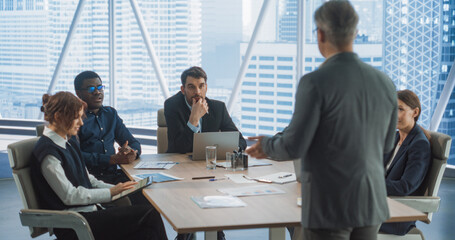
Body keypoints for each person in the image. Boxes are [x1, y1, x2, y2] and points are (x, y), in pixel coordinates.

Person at [246, 1, 397, 240]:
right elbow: (388, 144)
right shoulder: (385, 83)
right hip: (371, 203)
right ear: (355, 33)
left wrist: (266, 145)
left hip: (330, 204)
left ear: (320, 33)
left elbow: (294, 145)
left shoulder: (315, 82)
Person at [31, 91, 167, 240]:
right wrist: (110, 193)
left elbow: (89, 179)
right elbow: (70, 196)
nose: (81, 123)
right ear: (58, 117)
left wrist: (120, 189)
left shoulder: (69, 142)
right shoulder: (48, 153)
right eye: (77, 117)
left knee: (145, 228)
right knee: (148, 216)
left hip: (90, 212)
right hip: (75, 223)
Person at [74, 71, 140, 185]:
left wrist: (131, 152)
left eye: (100, 87)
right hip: (89, 180)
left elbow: (133, 143)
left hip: (115, 176)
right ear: (78, 93)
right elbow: (75, 155)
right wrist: (110, 159)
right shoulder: (74, 118)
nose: (97, 92)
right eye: (91, 89)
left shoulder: (110, 114)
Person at [380, 90, 431, 235]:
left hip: (396, 217)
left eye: (400, 109)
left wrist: (372, 186)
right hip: (381, 205)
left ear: (415, 112)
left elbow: (405, 186)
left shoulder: (419, 145)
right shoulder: (395, 137)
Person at [164, 66, 247, 153]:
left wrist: (233, 150)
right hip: (180, 163)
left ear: (206, 87)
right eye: (191, 87)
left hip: (207, 162)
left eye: (201, 86)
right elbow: (178, 148)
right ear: (183, 90)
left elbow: (240, 141)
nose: (198, 92)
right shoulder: (172, 106)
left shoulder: (218, 108)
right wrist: (194, 119)